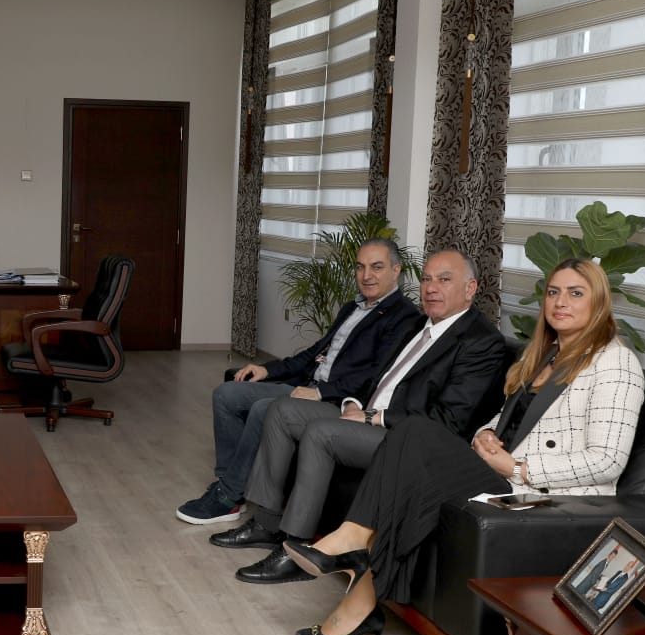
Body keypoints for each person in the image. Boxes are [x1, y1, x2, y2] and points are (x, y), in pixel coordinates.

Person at [284, 258, 644, 635]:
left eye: (576, 293)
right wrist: (484, 435)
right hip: (501, 472)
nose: (560, 302)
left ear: (599, 302)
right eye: (554, 292)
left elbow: (608, 460)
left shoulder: (615, 362)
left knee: (415, 434)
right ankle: (357, 587)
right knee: (411, 440)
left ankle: (354, 555)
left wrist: (518, 467)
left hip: (539, 496)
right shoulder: (546, 353)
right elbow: (506, 417)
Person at [212, 249, 508, 586]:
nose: (431, 288)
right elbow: (375, 377)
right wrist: (354, 403)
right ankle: (266, 523)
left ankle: (295, 548)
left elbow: (449, 419)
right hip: (365, 412)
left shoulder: (481, 342)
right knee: (282, 410)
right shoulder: (417, 325)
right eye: (427, 279)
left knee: (321, 433)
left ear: (470, 288)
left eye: (444, 280)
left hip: (407, 438)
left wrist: (375, 417)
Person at [177, 239, 422, 524]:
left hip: (337, 399)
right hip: (307, 384)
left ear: (396, 271)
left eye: (376, 267)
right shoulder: (352, 307)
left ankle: (228, 497)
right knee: (226, 394)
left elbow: (375, 375)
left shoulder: (404, 317)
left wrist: (320, 393)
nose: (366, 275)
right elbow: (314, 353)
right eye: (360, 267)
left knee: (264, 408)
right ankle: (228, 481)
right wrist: (268, 370)